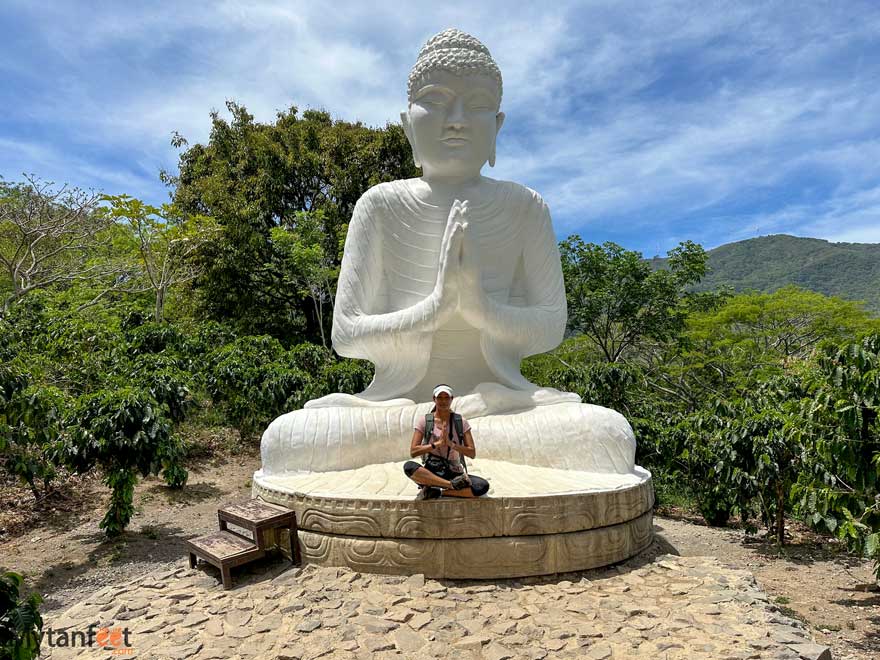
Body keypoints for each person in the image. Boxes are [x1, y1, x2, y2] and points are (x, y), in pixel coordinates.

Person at [403, 384, 490, 499]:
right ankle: (450, 486)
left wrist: (452, 444)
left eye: (446, 398)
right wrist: (436, 444)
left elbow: (471, 453)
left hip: (454, 471)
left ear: (451, 399)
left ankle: (438, 491)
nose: (443, 401)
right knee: (409, 467)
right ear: (434, 399)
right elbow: (413, 451)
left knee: (482, 486)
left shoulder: (461, 422)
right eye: (440, 398)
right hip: (432, 471)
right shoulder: (424, 421)